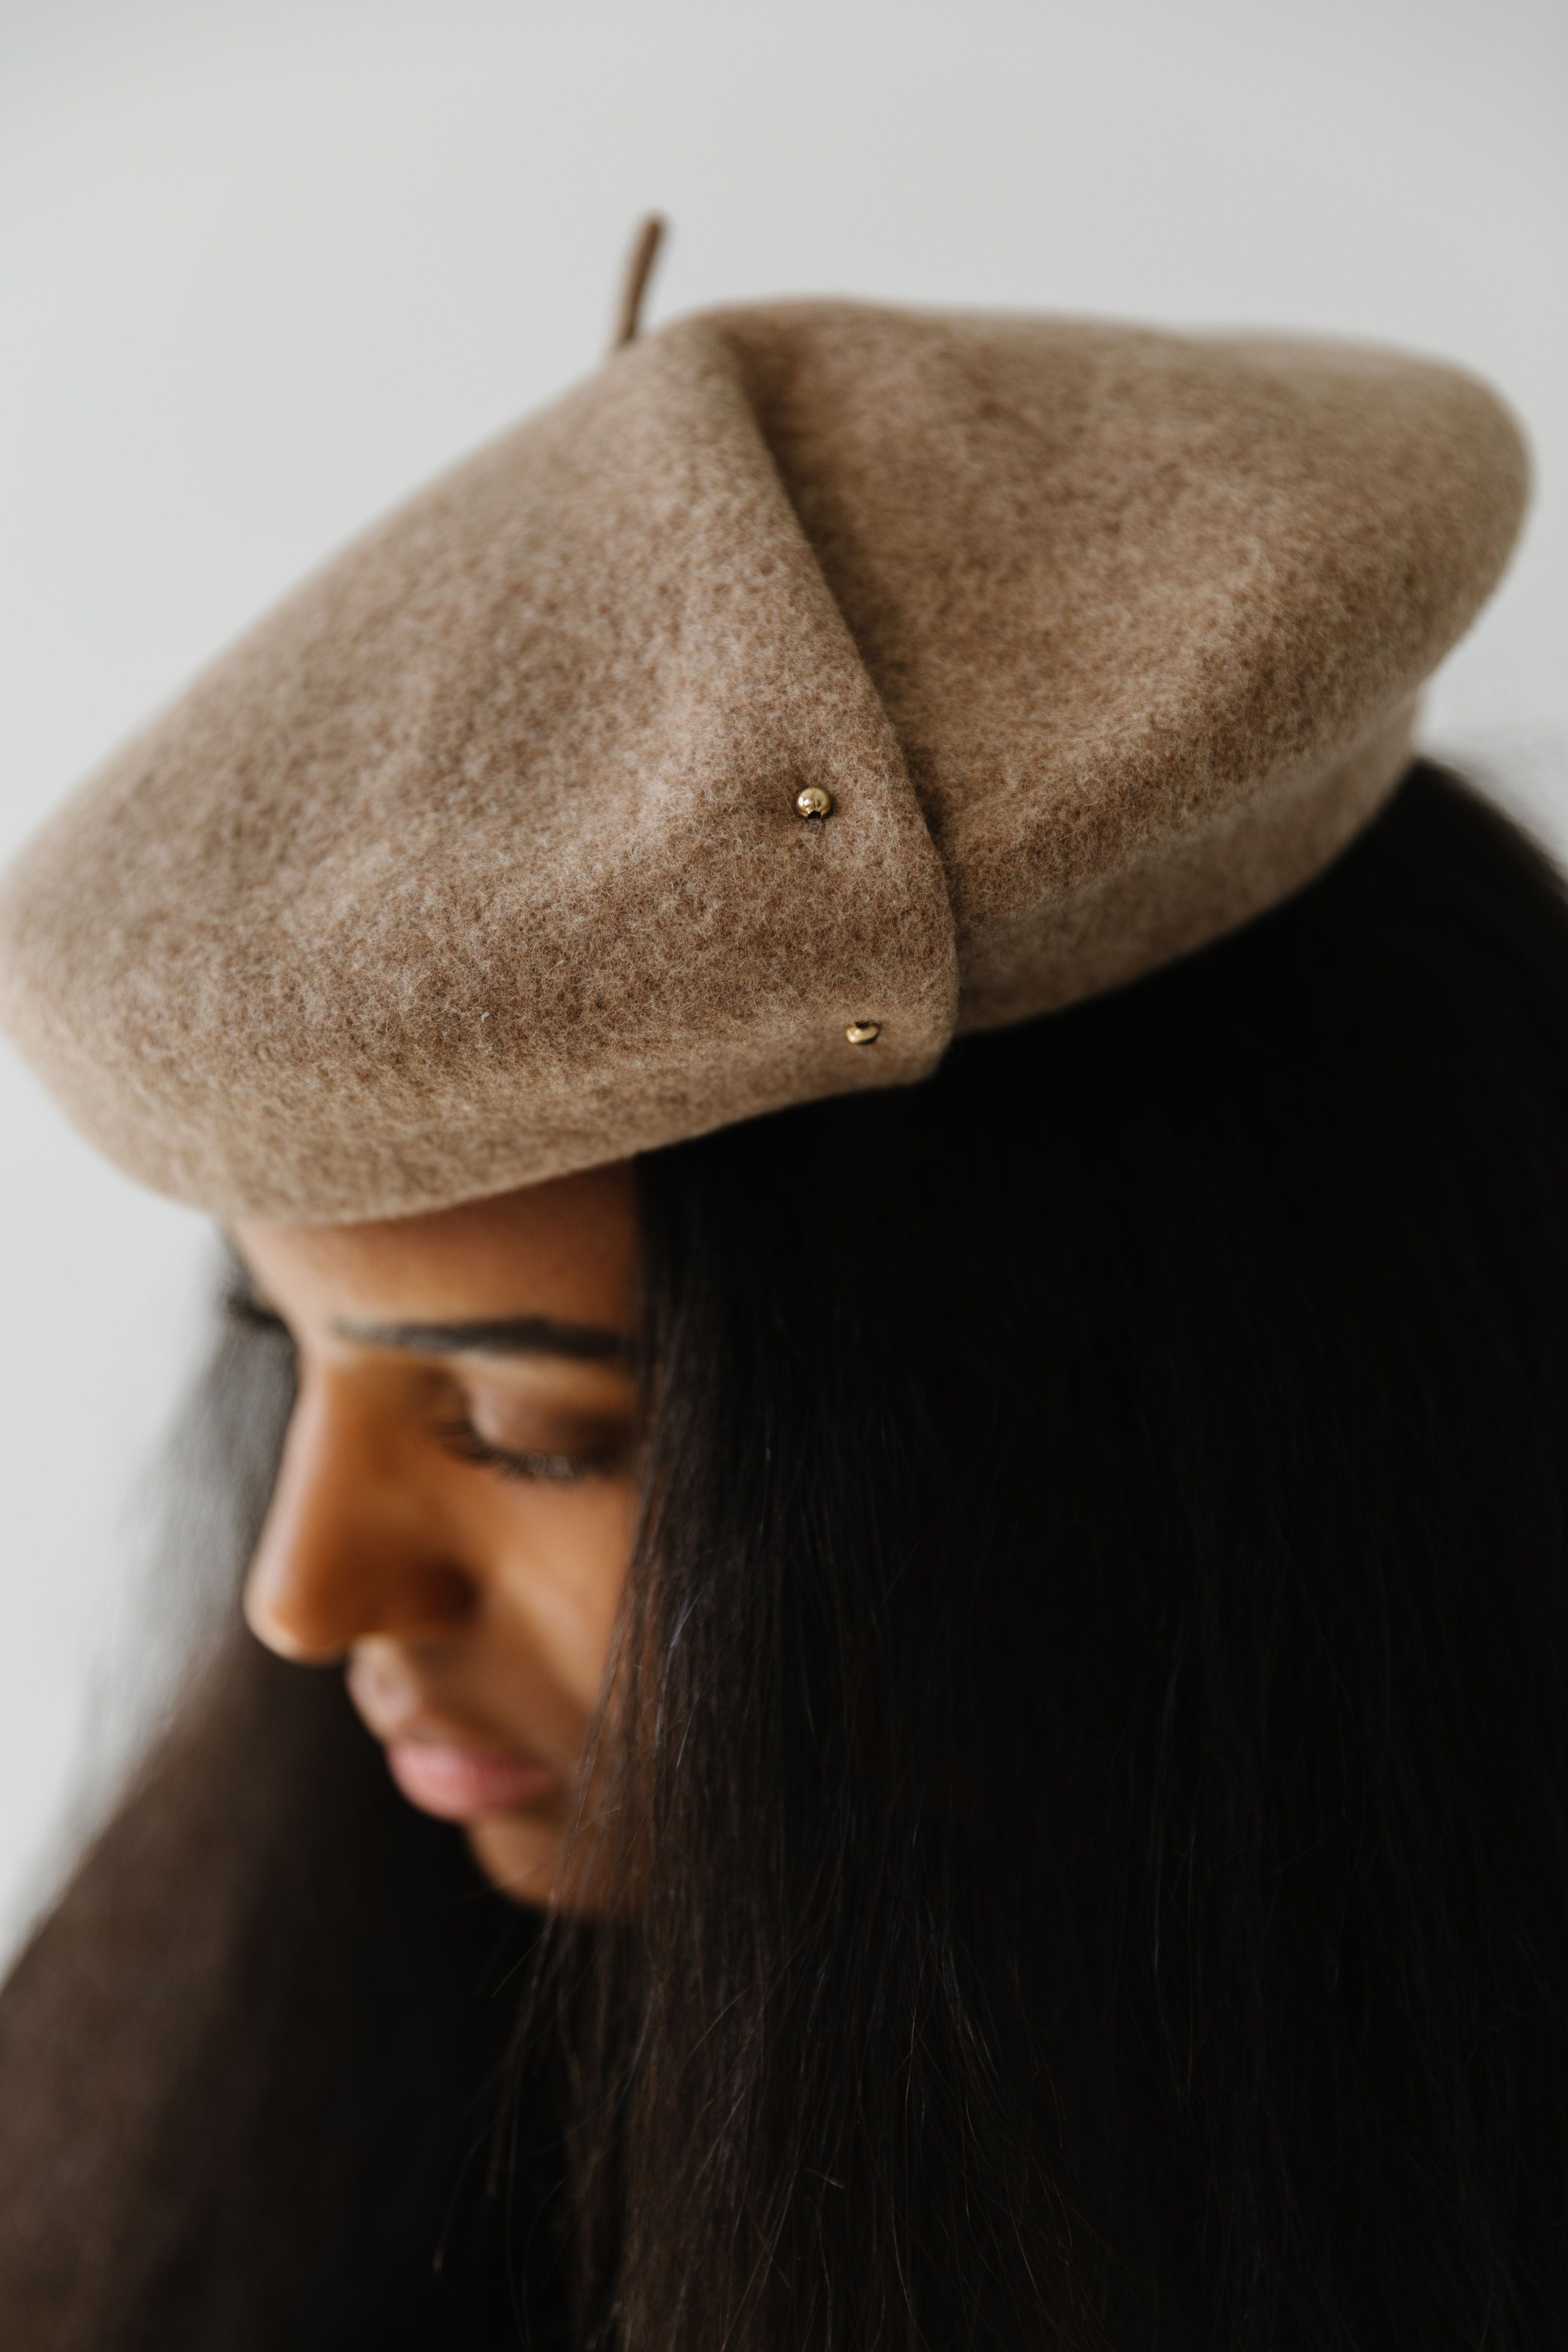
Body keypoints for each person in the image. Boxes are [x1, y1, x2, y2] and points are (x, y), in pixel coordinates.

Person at [0, 255, 1559, 2350]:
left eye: (528, 1426)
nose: (308, 1594)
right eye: (286, 1349)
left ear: (1142, 1410)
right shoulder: (247, 2089)